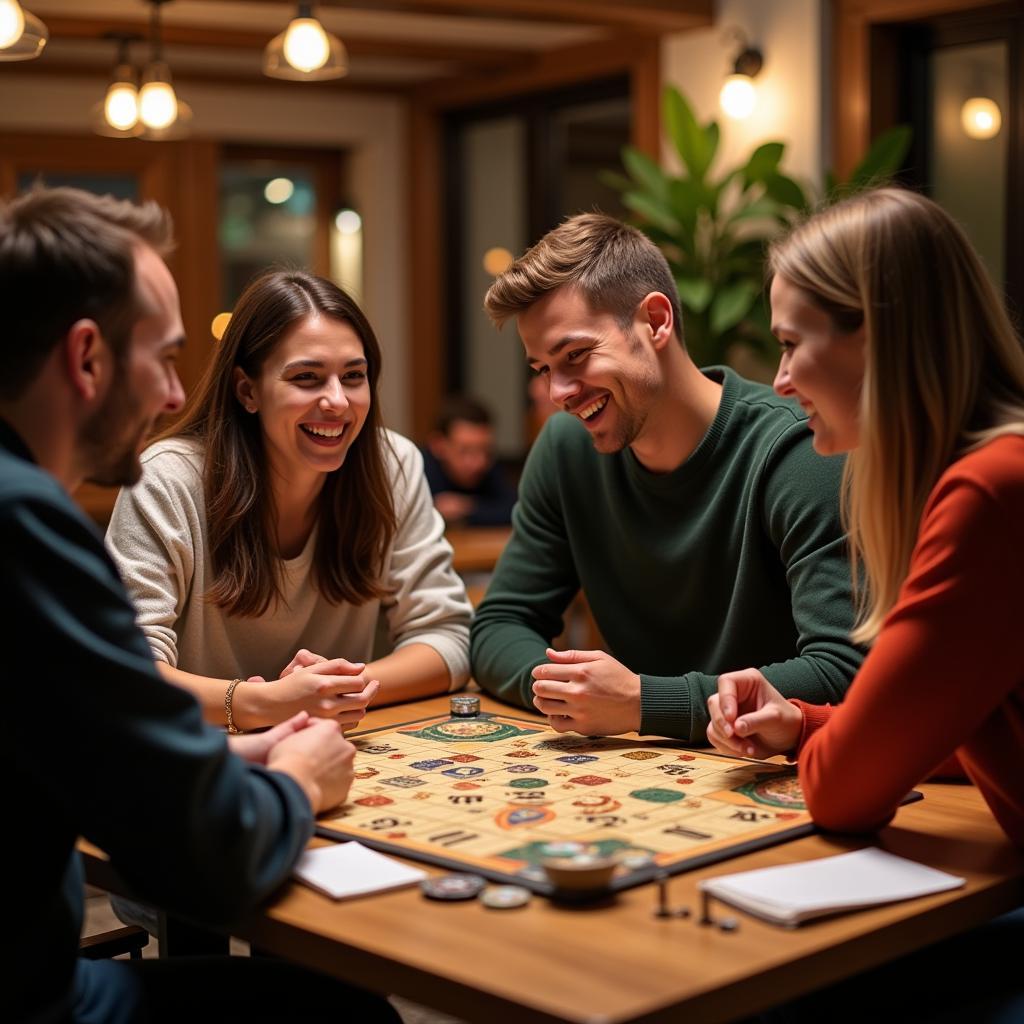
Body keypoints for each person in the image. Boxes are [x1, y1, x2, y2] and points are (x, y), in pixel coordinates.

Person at [2, 187, 398, 1022]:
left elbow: (91, 757)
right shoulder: (26, 526)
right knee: (344, 1013)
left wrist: (226, 760)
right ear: (87, 358)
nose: (180, 396)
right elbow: (208, 862)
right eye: (166, 358)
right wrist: (295, 779)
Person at [706, 187, 1022, 1024]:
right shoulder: (990, 469)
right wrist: (807, 725)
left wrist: (830, 747)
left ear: (874, 336)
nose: (777, 380)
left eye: (789, 344)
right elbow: (964, 723)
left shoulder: (992, 492)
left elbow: (843, 794)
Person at [471, 212, 864, 743]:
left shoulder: (801, 450)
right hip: (630, 770)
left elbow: (845, 670)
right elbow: (499, 626)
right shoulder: (567, 449)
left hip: (771, 769)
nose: (559, 392)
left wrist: (643, 703)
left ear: (656, 321)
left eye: (576, 355)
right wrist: (575, 693)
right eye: (542, 369)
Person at [106, 270, 472, 733]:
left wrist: (337, 690)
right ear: (248, 390)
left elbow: (449, 639)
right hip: (200, 754)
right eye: (307, 378)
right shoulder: (166, 479)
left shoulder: (392, 463)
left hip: (341, 743)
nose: (338, 401)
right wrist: (263, 702)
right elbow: (124, 670)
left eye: (354, 376)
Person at [421, 395, 516, 526]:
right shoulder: (418, 471)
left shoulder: (489, 467)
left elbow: (515, 510)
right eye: (466, 451)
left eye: (485, 450)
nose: (479, 462)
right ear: (438, 445)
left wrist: (465, 507)